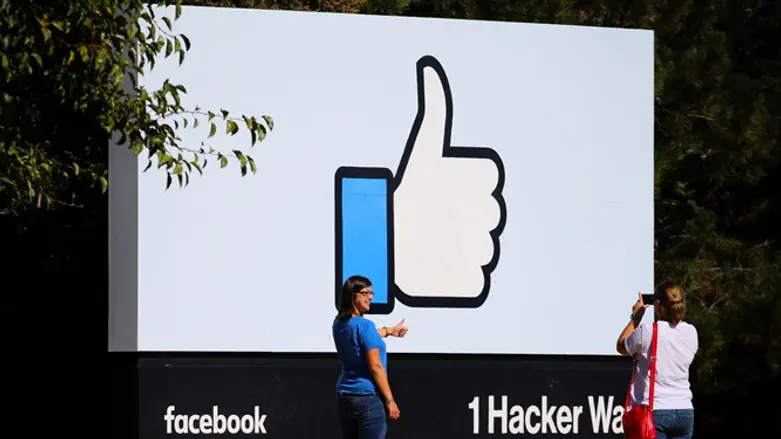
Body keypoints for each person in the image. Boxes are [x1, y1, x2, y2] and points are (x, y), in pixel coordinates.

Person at [616, 281, 699, 439]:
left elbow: (621, 346)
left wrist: (636, 318)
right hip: (685, 410)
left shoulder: (647, 331)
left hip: (655, 410)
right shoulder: (691, 332)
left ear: (658, 305)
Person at [332, 275, 408, 439]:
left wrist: (389, 331)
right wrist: (390, 400)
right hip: (367, 398)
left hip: (345, 397)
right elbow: (376, 367)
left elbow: (365, 336)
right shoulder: (364, 326)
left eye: (371, 293)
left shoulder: (339, 324)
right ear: (353, 295)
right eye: (365, 293)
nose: (370, 298)